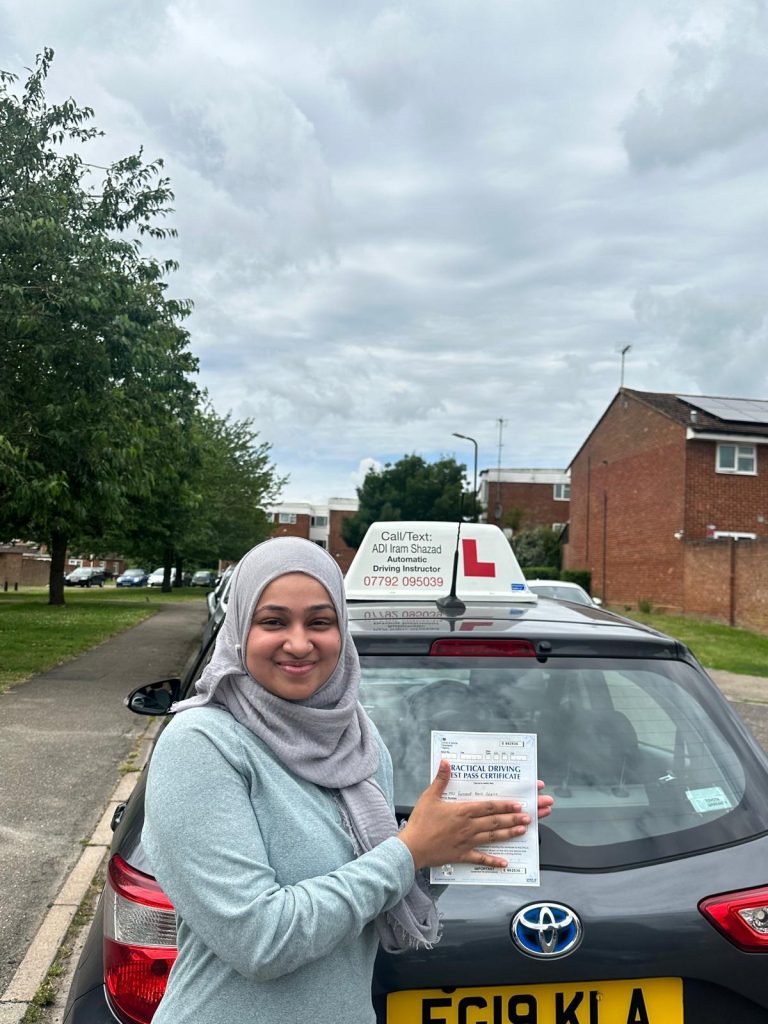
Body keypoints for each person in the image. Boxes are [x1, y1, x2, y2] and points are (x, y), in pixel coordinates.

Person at [142, 536, 554, 1024]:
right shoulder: (201, 743)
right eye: (273, 621)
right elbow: (258, 940)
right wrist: (410, 850)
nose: (299, 643)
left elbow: (378, 895)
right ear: (240, 628)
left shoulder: (357, 737)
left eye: (320, 622)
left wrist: (459, 837)